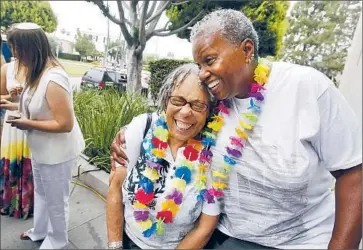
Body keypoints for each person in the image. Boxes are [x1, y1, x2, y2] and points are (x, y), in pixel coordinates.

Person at [111, 9, 362, 249]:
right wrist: (128, 133)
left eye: (209, 60)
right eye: (198, 64)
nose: (202, 73)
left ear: (247, 50)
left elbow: (353, 173)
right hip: (227, 237)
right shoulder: (216, 100)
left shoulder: (306, 88)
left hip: (300, 242)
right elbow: (177, 116)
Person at [107, 63, 220, 249]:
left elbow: (205, 226)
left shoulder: (212, 154)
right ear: (166, 100)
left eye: (198, 104)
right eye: (177, 100)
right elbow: (115, 187)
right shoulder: (142, 127)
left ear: (208, 111)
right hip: (127, 241)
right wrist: (115, 246)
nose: (185, 112)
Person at [1, 22, 85, 249]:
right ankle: (39, 231)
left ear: (32, 48)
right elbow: (36, 104)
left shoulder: (54, 78)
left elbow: (64, 124)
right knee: (42, 193)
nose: (15, 56)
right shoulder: (37, 72)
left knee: (56, 200)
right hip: (42, 149)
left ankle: (57, 240)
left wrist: (25, 123)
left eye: (17, 50)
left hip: (57, 152)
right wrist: (12, 104)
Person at [0, 30, 33, 219]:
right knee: (11, 162)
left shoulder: (35, 67)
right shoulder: (6, 69)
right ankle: (11, 203)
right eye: (13, 46)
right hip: (12, 121)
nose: (16, 50)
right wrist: (10, 96)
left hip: (30, 119)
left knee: (30, 164)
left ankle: (28, 204)